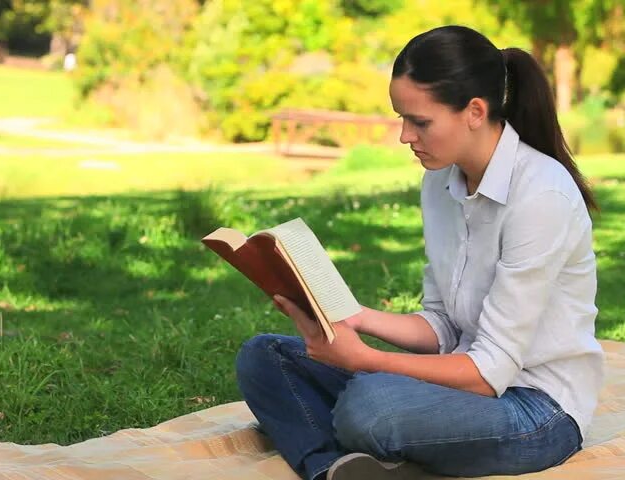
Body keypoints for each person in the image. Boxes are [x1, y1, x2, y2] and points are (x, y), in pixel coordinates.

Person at [235, 25, 604, 480]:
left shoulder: (541, 195)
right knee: (265, 356)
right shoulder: (439, 182)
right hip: (460, 386)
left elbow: (491, 372)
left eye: (420, 121)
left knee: (370, 407)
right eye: (401, 118)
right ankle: (334, 469)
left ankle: (346, 449)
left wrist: (366, 361)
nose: (405, 136)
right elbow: (443, 324)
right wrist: (353, 316)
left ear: (474, 111)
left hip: (534, 411)